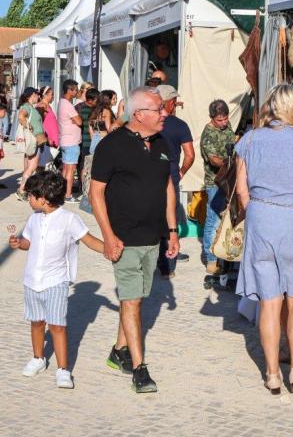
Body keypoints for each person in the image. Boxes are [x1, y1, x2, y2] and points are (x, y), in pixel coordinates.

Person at [234, 83, 293, 395]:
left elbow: (241, 191)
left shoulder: (248, 140)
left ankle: (272, 374)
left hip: (261, 220)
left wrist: (260, 212)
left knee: (269, 303)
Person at [89, 86, 179, 393]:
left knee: (136, 299)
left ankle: (118, 351)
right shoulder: (111, 146)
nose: (165, 113)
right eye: (158, 109)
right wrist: (108, 235)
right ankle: (140, 369)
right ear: (139, 114)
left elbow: (168, 187)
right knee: (131, 301)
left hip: (152, 237)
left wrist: (172, 229)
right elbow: (95, 192)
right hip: (124, 238)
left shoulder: (162, 143)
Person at [9, 170, 104, 390]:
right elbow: (28, 242)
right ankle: (38, 358)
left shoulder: (69, 219)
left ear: (43, 198)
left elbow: (89, 241)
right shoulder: (33, 219)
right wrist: (18, 243)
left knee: (58, 325)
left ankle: (63, 369)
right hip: (32, 280)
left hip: (56, 281)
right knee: (36, 322)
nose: (29, 200)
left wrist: (109, 250)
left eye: (31, 196)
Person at [156, 84, 194, 276]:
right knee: (170, 217)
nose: (176, 105)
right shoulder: (179, 126)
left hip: (149, 174)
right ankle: (168, 266)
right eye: (174, 101)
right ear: (169, 102)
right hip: (170, 173)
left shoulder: (147, 121)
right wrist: (181, 172)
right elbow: (189, 155)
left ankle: (150, 259)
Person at [199, 100, 236, 274]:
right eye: (219, 120)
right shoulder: (208, 134)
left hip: (230, 181)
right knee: (213, 220)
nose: (223, 123)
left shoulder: (227, 127)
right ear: (212, 118)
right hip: (215, 182)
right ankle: (211, 259)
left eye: (225, 119)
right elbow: (213, 159)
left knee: (227, 220)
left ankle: (224, 254)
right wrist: (227, 163)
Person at [58, 79, 82, 202]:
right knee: (71, 170)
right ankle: (68, 194)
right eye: (76, 90)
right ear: (70, 91)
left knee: (66, 169)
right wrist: (75, 120)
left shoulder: (61, 102)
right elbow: (79, 121)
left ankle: (62, 193)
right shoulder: (67, 105)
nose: (77, 92)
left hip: (65, 140)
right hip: (71, 141)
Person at [17, 87, 43, 200]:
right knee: (32, 166)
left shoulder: (31, 107)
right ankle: (22, 189)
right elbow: (21, 116)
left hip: (36, 139)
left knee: (30, 166)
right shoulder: (27, 107)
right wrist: (29, 126)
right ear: (32, 95)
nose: (38, 96)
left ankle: (24, 189)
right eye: (37, 94)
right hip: (33, 139)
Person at [36, 86, 59, 167]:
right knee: (42, 166)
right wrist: (46, 137)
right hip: (47, 141)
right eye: (51, 94)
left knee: (46, 166)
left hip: (52, 141)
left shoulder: (48, 106)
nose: (53, 97)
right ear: (45, 95)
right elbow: (38, 123)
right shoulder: (42, 106)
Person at [88, 90, 117, 154]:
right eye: (114, 99)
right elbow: (109, 129)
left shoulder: (94, 111)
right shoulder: (107, 111)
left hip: (94, 141)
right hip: (104, 140)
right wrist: (123, 118)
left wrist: (94, 140)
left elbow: (90, 130)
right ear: (107, 100)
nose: (116, 100)